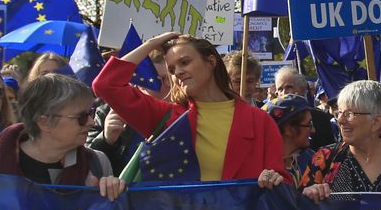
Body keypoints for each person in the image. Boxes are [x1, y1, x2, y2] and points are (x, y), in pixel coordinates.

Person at [93, 33, 287, 186]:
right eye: (171, 69)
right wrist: (152, 43)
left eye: (184, 62)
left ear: (211, 62)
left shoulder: (260, 120)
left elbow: (281, 180)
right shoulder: (168, 117)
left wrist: (272, 178)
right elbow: (105, 84)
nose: (177, 72)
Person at [301, 80, 381, 210]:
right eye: (339, 113)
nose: (340, 120)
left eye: (349, 114)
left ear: (376, 122)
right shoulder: (325, 158)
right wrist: (309, 192)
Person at [88, 50, 170, 174]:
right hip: (122, 190)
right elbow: (87, 164)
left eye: (171, 76)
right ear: (140, 83)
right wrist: (106, 139)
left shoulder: (188, 110)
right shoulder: (106, 113)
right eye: (160, 79)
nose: (170, 85)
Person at [272, 64, 336, 149]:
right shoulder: (272, 119)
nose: (284, 93)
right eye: (280, 89)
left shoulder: (320, 118)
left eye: (289, 87)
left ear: (302, 89)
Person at [264, 95, 316, 184]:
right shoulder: (261, 165)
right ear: (288, 129)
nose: (313, 130)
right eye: (308, 124)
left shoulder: (314, 160)